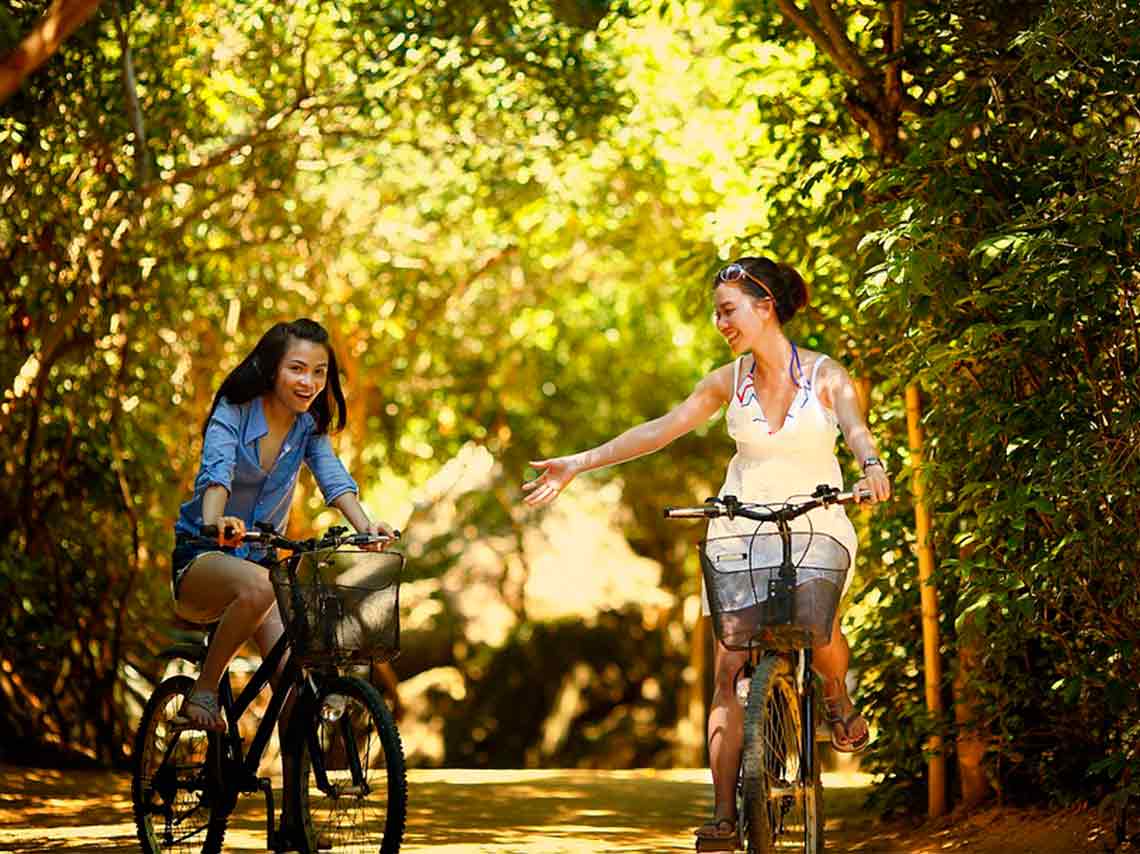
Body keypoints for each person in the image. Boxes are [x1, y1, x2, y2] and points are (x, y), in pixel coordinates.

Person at [523, 257, 890, 848]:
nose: (720, 322)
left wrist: (872, 467)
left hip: (814, 519)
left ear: (765, 306)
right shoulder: (727, 381)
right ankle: (723, 815)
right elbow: (661, 429)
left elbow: (855, 429)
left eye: (729, 310)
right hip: (740, 521)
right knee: (727, 665)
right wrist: (579, 462)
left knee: (817, 630)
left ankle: (836, 695)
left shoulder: (827, 375)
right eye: (717, 313)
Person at [170, 317, 395, 733]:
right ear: (272, 368)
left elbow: (332, 475)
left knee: (298, 693)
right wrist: (215, 521)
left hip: (262, 566)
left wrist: (367, 527)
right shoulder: (233, 411)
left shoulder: (307, 427)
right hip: (203, 556)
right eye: (297, 368)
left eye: (319, 372)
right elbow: (216, 473)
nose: (308, 382)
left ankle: (297, 795)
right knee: (258, 585)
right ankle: (203, 690)